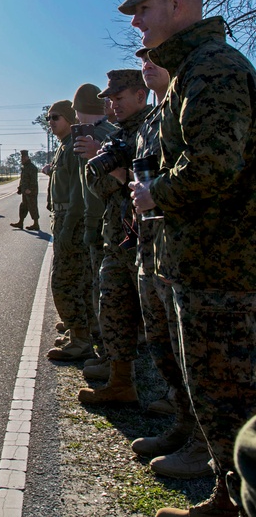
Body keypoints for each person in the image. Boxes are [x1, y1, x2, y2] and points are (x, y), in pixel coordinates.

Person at [123, 0, 256, 517]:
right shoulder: (191, 70)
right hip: (198, 264)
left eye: (144, 9)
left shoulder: (213, 69)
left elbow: (213, 165)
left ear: (177, 4)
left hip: (222, 271)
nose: (136, 23)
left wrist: (156, 195)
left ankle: (235, 500)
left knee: (230, 397)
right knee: (212, 392)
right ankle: (226, 498)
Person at [126, 49, 210, 480]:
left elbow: (209, 167)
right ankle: (184, 426)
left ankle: (206, 448)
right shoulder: (153, 119)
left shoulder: (196, 94)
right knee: (165, 347)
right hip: (154, 247)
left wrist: (156, 191)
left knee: (196, 355)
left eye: (156, 58)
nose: (148, 62)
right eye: (143, 59)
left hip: (193, 251)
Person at [78, 69, 151, 406]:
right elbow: (98, 186)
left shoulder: (156, 129)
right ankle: (121, 382)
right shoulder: (116, 137)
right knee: (113, 309)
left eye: (119, 98)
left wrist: (128, 175)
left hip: (151, 243)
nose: (112, 105)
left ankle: (179, 405)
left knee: (159, 323)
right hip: (117, 238)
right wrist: (116, 174)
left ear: (141, 95)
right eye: (109, 99)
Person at [43, 100, 95, 362]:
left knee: (65, 282)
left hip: (70, 220)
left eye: (56, 117)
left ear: (70, 119)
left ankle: (81, 340)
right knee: (77, 280)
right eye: (49, 118)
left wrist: (69, 228)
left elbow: (78, 192)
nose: (50, 122)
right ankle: (80, 332)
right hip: (63, 217)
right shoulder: (63, 147)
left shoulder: (73, 147)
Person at [70, 82, 117, 363]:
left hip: (103, 222)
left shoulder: (99, 137)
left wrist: (90, 223)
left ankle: (107, 353)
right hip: (103, 220)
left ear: (78, 110)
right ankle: (106, 350)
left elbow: (94, 189)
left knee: (104, 289)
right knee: (101, 286)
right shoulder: (101, 133)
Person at [10, 150, 40, 230]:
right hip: (24, 191)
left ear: (27, 157)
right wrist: (20, 188)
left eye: (23, 158)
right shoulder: (24, 167)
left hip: (31, 191)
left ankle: (36, 224)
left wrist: (30, 189)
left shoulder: (32, 167)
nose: (21, 160)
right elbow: (23, 180)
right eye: (21, 158)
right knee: (23, 206)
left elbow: (34, 180)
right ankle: (20, 222)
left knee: (32, 207)